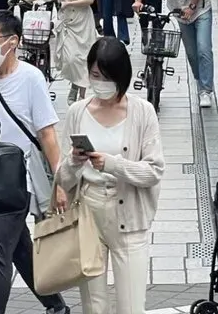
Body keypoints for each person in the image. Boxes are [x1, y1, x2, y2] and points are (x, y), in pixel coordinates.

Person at [57, 38, 164, 314]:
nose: (100, 82)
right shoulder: (77, 112)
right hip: (88, 214)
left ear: (121, 76)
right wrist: (73, 162)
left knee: (131, 306)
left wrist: (113, 165)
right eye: (94, 75)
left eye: (107, 77)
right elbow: (62, 178)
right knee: (94, 306)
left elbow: (153, 171)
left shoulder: (142, 112)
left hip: (129, 216)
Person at [0, 9, 69, 314]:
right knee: (19, 248)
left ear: (13, 41)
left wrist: (61, 183)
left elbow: (47, 134)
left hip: (19, 181)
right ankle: (56, 306)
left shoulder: (30, 77)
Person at [29, 0, 98, 103]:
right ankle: (75, 84)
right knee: (69, 59)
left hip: (83, 23)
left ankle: (81, 95)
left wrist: (70, 3)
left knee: (83, 59)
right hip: (66, 24)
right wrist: (21, 0)